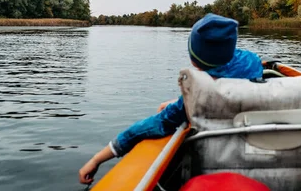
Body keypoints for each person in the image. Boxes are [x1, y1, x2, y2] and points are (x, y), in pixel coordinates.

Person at [78, 13, 263, 185]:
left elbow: (146, 128)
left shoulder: (195, 97)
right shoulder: (253, 62)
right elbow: (225, 76)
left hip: (218, 165)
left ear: (194, 59)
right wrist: (178, 101)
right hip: (256, 153)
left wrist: (96, 159)